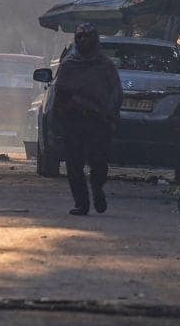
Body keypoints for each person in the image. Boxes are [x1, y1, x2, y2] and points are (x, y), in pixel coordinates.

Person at [52, 22, 123, 216]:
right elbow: (59, 94)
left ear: (95, 40)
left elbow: (116, 93)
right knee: (74, 165)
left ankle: (97, 188)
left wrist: (112, 116)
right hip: (73, 121)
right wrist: (59, 119)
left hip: (98, 122)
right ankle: (81, 204)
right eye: (80, 37)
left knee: (98, 163)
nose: (84, 41)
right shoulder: (69, 65)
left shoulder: (106, 66)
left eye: (88, 37)